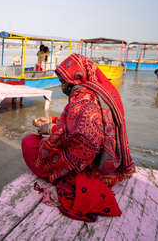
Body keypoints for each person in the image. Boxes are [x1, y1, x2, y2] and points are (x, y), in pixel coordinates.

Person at [23, 54, 135, 222]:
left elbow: (84, 137)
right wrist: (53, 121)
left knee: (29, 142)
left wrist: (49, 132)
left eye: (63, 81)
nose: (62, 86)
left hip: (85, 164)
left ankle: (71, 176)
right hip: (108, 160)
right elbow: (77, 122)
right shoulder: (101, 90)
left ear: (75, 77)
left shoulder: (83, 98)